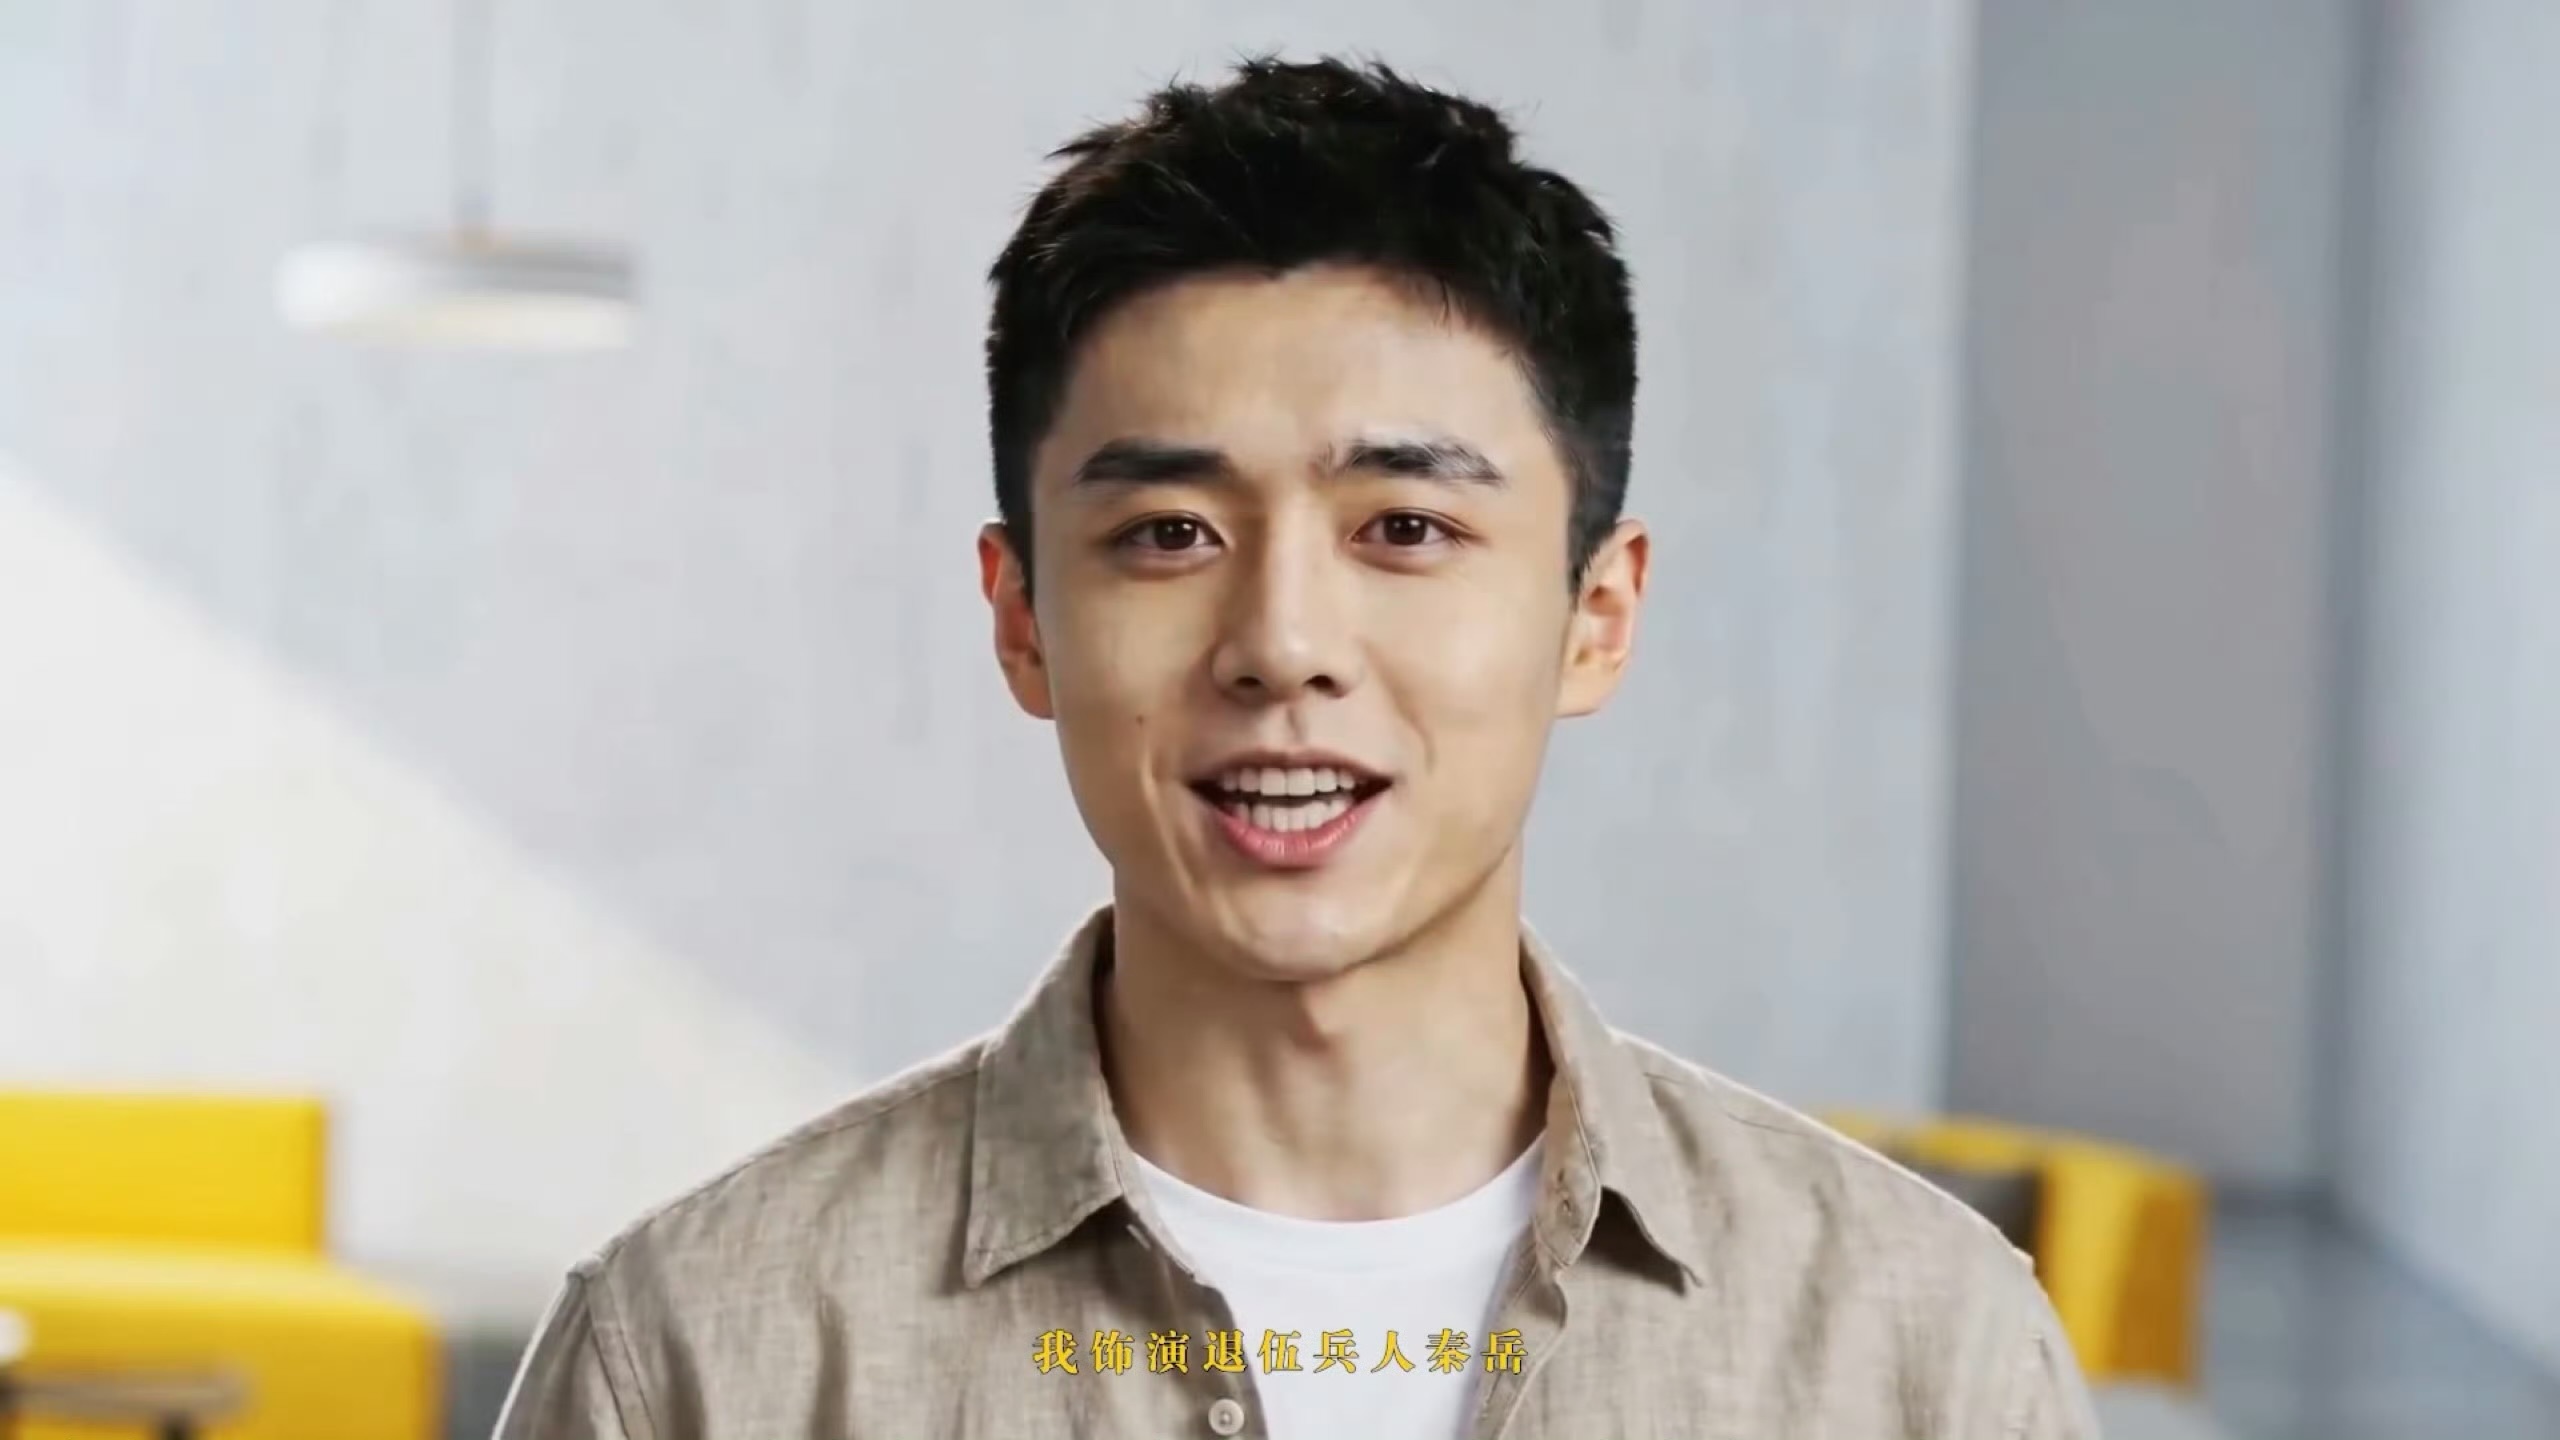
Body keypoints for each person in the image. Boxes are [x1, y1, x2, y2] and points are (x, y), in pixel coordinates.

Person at [494, 55, 2098, 1440]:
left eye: (1404, 527)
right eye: (1169, 533)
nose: (1281, 643)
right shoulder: (701, 1355)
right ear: (1024, 620)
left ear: (1596, 616)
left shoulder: (1919, 1349)